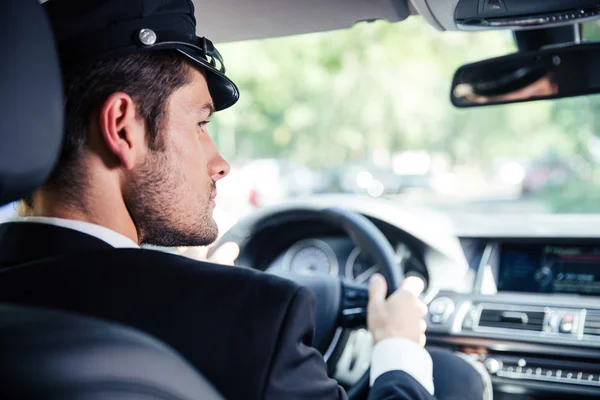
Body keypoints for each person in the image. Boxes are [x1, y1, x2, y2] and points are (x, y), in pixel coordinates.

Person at [0, 0, 487, 399]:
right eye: (201, 124)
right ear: (123, 127)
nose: (221, 163)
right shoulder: (252, 318)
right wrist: (397, 346)